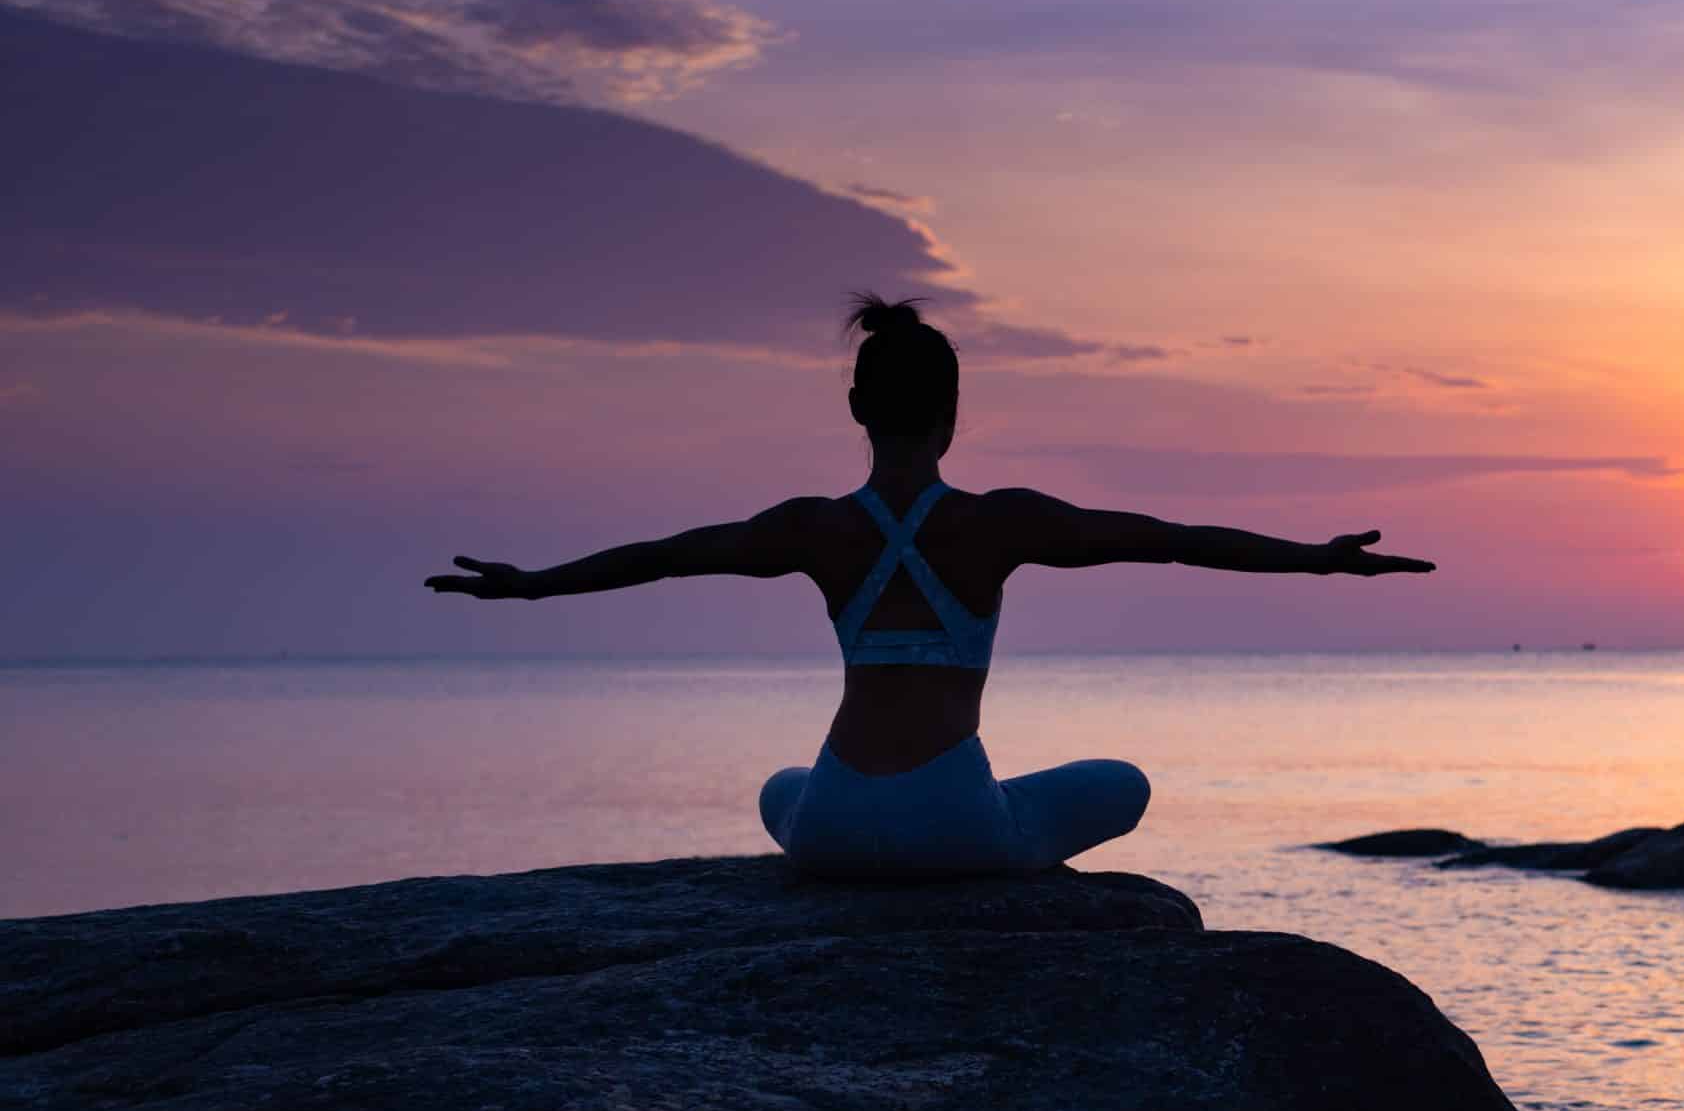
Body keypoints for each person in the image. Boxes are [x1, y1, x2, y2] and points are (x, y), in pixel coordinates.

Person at [426, 293, 1433, 876]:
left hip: (829, 832)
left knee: (778, 788)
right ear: (953, 410)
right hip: (953, 826)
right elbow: (1169, 540)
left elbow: (665, 554)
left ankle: (872, 829)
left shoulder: (811, 530)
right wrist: (1319, 559)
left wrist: (530, 588)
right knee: (1123, 783)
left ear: (857, 407)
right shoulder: (1000, 522)